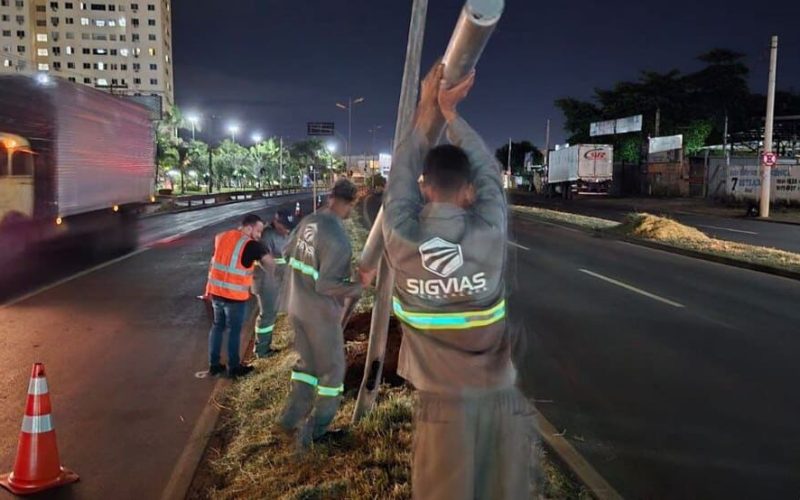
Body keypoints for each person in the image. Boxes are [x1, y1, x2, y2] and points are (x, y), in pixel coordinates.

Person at [376, 64, 533, 499]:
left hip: (443, 407)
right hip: (501, 396)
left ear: (425, 189)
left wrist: (428, 110)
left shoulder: (401, 236)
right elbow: (487, 170)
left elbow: (402, 174)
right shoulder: (489, 230)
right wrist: (451, 114)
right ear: (469, 192)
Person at [277, 179, 367, 447]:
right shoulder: (339, 241)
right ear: (351, 203)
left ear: (330, 197)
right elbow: (327, 285)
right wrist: (359, 285)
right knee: (333, 374)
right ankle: (314, 434)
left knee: (307, 367)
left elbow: (285, 251)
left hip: (295, 305)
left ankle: (288, 420)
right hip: (319, 315)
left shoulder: (310, 221)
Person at [205, 213, 274, 378]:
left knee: (217, 327)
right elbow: (270, 264)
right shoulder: (251, 245)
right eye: (258, 231)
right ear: (249, 228)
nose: (259, 236)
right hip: (234, 296)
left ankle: (214, 366)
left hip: (216, 292)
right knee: (234, 331)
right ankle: (234, 368)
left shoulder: (221, 236)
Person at [252, 210, 295, 357]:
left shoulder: (287, 232)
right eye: (285, 227)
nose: (288, 230)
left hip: (279, 279)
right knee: (268, 314)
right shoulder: (266, 236)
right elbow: (267, 262)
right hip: (266, 280)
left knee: (279, 311)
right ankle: (262, 350)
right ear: (276, 223)